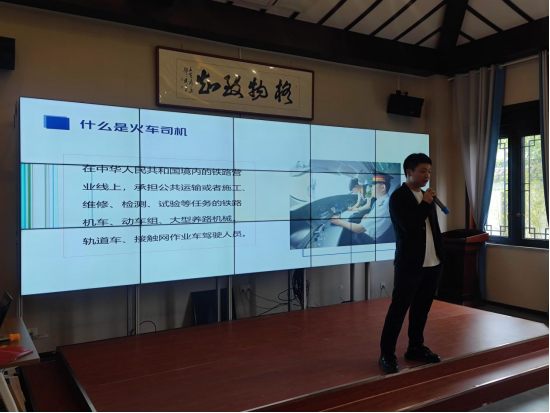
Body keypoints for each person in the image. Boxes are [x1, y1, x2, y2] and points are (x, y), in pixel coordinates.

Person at [378, 153, 446, 374]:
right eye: (422, 171)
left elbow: (433, 228)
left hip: (432, 262)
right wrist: (425, 203)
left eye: (429, 171)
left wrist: (441, 255)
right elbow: (410, 226)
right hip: (410, 264)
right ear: (409, 172)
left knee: (421, 309)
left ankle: (415, 347)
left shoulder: (427, 196)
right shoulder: (398, 197)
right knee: (398, 310)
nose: (427, 175)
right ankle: (387, 354)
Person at [331, 175, 393, 244]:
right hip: (373, 231)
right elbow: (359, 202)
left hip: (370, 238)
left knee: (347, 235)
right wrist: (354, 208)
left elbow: (359, 229)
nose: (371, 187)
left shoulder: (381, 203)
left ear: (382, 187)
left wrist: (339, 222)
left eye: (373, 185)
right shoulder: (382, 201)